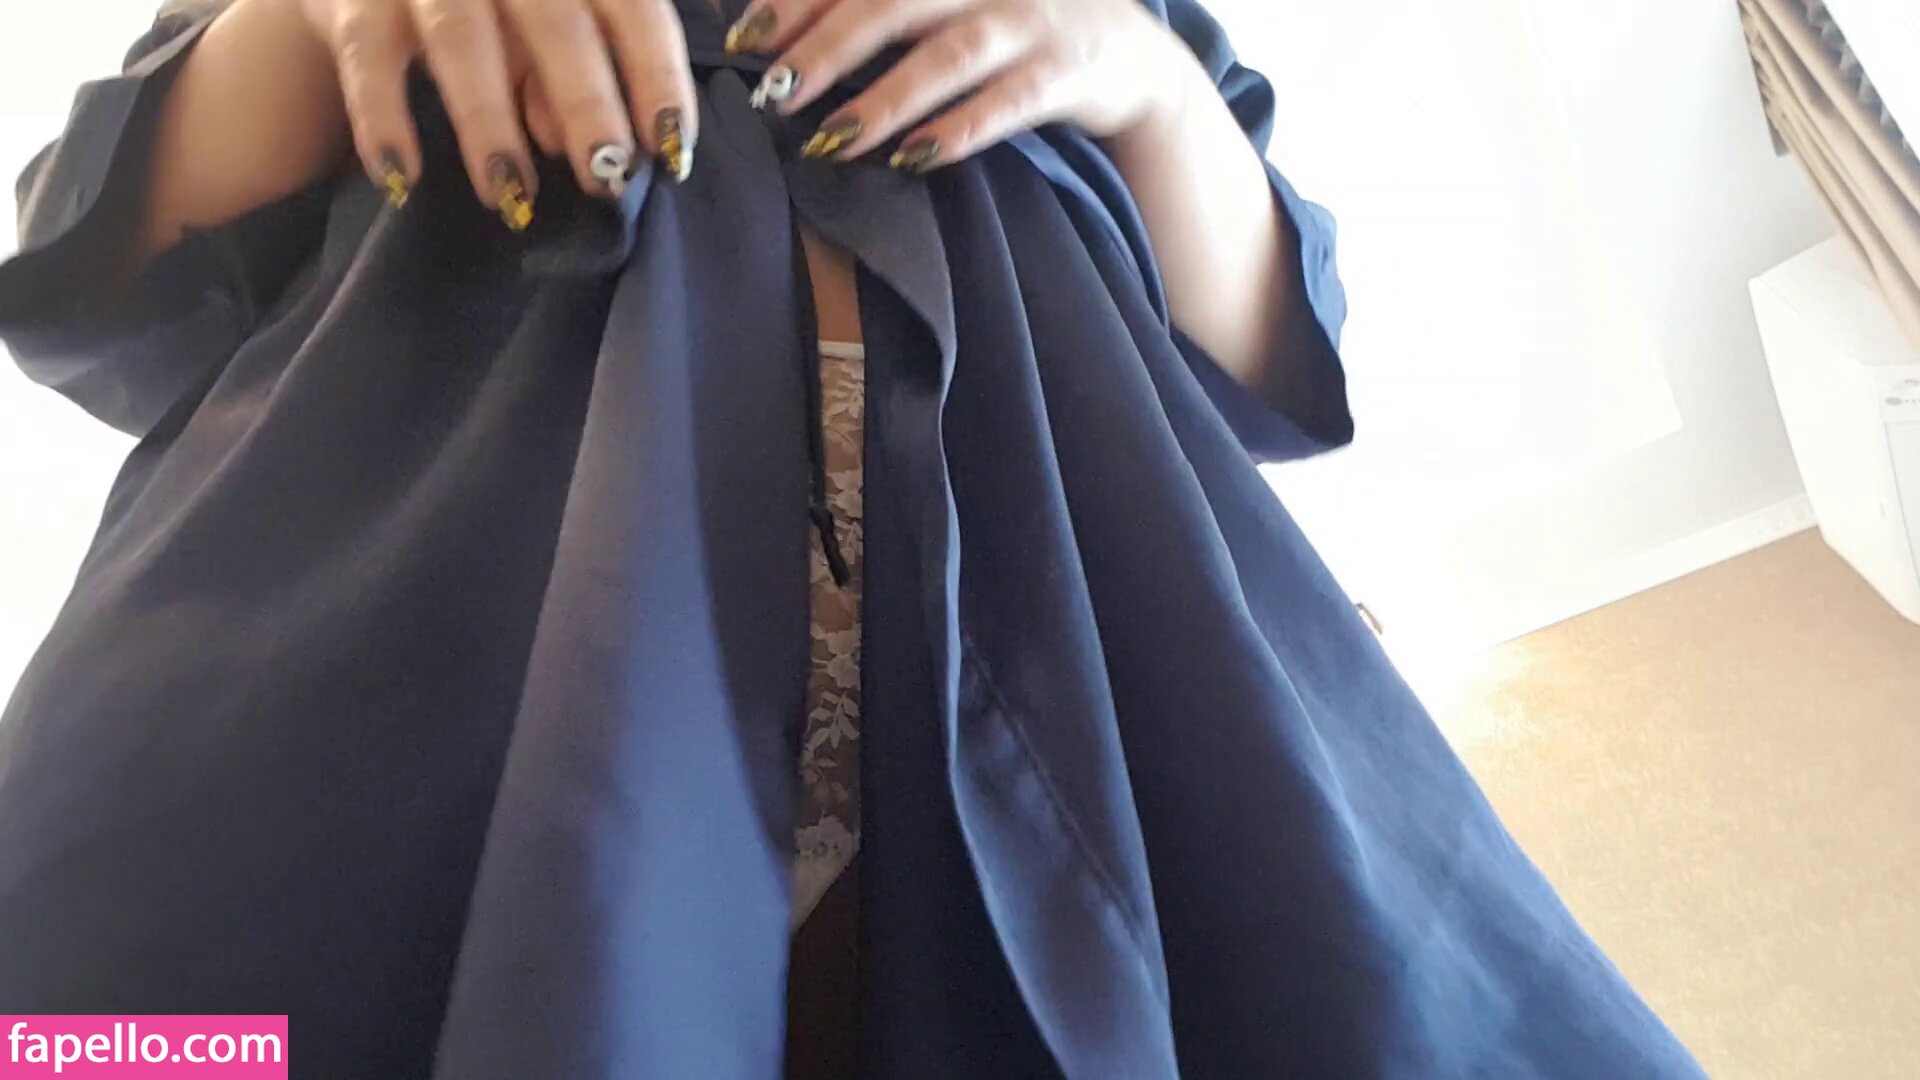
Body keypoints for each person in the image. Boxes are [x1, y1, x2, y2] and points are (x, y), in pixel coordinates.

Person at [0, 0, 1704, 1076]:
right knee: (136, 1032)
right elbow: (95, 277)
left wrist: (1136, 70)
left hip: (1119, 689)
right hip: (370, 696)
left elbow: (1269, 357)